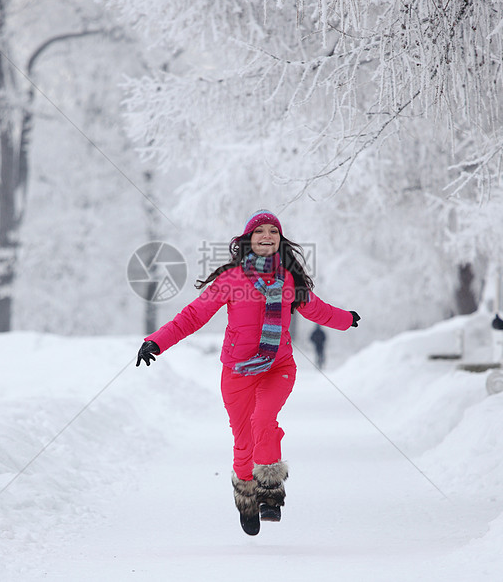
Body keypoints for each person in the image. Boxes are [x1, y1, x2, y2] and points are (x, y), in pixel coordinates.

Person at [136, 210, 360, 536]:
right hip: (237, 372)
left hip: (278, 367)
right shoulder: (231, 280)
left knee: (263, 420)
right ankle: (247, 498)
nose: (267, 236)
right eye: (260, 231)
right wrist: (156, 342)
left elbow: (316, 308)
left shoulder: (289, 280)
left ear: (280, 240)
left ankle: (270, 492)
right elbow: (192, 317)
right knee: (243, 444)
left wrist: (344, 318)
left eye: (273, 231)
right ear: (248, 240)